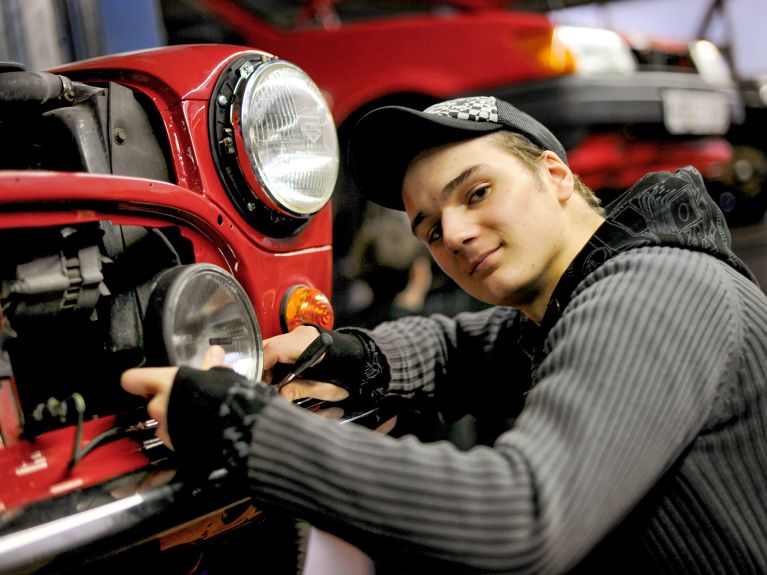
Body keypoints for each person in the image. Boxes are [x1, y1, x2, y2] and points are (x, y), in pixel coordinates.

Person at [121, 96, 767, 574]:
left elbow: (521, 516)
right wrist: (358, 357)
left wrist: (249, 430)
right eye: (429, 228)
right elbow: (465, 347)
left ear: (555, 174)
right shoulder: (576, 300)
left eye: (477, 192)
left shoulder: (650, 292)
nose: (452, 235)